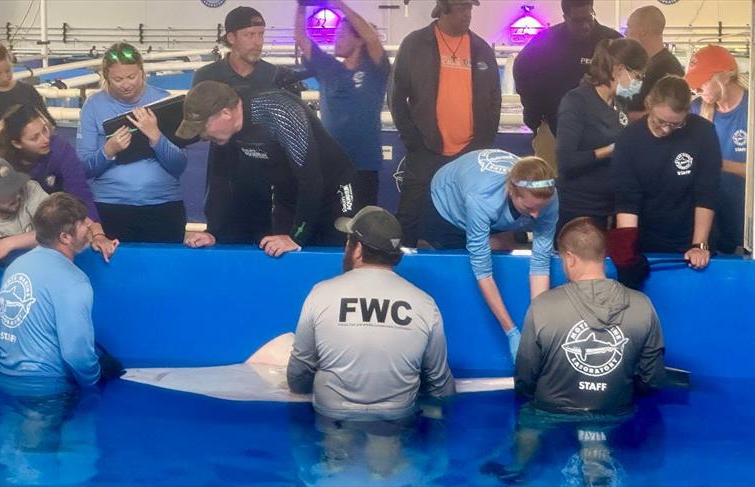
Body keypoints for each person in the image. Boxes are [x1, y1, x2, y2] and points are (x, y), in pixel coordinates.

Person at [485, 217, 665, 484]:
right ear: (604, 256)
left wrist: (535, 397)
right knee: (596, 429)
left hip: (549, 407)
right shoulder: (642, 305)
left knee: (529, 423)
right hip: (614, 408)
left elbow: (525, 375)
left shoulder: (543, 306)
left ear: (569, 258)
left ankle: (517, 467)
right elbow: (653, 379)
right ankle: (596, 464)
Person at [287, 206, 455, 422]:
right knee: (387, 449)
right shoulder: (424, 303)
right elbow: (441, 385)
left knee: (336, 450)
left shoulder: (320, 294)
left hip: (332, 415)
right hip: (396, 417)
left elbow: (298, 375)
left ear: (357, 249)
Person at [177, 81, 358, 257]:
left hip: (335, 190)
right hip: (290, 194)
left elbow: (311, 178)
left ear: (225, 113)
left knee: (335, 256)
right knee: (278, 252)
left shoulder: (277, 111)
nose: (203, 136)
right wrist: (213, 233)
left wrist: (297, 237)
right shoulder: (224, 132)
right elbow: (221, 181)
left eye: (203, 128)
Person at [422, 150, 558, 361]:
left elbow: (540, 262)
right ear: (512, 191)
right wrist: (511, 331)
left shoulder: (547, 198)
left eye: (541, 208)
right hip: (446, 205)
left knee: (502, 247)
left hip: (491, 204)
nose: (536, 216)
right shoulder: (483, 198)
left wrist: (536, 328)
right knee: (461, 264)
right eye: (529, 208)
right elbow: (482, 269)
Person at [389, 0, 501, 246]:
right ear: (444, 9)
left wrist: (483, 142)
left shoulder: (481, 48)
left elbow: (494, 98)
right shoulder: (415, 44)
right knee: (409, 214)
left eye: (470, 8)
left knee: (468, 215)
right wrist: (413, 140)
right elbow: (396, 97)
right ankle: (399, 268)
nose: (468, 14)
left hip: (470, 151)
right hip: (426, 148)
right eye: (462, 8)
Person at [194, 6, 300, 244]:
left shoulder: (276, 77)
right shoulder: (206, 76)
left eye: (261, 34)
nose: (257, 42)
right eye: (250, 35)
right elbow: (197, 129)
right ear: (231, 38)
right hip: (224, 184)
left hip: (268, 188)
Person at [610, 76, 721, 284]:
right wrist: (627, 253)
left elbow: (706, 193)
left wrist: (699, 245)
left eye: (675, 124)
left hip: (689, 236)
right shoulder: (629, 139)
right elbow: (626, 201)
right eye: (660, 121)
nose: (666, 129)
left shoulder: (703, 133)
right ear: (649, 105)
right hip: (646, 237)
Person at [76, 42, 188, 243]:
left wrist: (156, 137)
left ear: (142, 72)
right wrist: (108, 151)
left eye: (132, 77)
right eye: (118, 79)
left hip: (164, 204)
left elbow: (179, 165)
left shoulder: (163, 101)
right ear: (106, 77)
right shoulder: (93, 106)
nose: (126, 84)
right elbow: (82, 169)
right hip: (110, 205)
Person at [0, 104, 118, 262]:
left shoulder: (60, 149)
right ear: (16, 143)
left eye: (45, 129)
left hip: (52, 223)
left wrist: (98, 234)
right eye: (34, 138)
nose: (45, 139)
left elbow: (80, 192)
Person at [0, 192, 101, 396]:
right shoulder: (74, 280)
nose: (89, 225)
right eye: (82, 222)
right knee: (80, 426)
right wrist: (95, 380)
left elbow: (2, 327)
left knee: (10, 429)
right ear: (65, 237)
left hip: (3, 378)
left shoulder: (15, 267)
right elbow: (76, 353)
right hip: (48, 388)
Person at [295, 0, 390, 207]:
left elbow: (372, 38)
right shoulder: (328, 67)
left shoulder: (375, 68)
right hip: (330, 162)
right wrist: (302, 5)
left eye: (342, 34)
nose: (336, 39)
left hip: (364, 163)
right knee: (331, 224)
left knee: (362, 225)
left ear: (359, 40)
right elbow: (301, 37)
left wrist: (339, 4)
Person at [513, 0, 621, 170]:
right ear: (565, 17)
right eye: (578, 21)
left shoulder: (611, 41)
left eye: (589, 18)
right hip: (553, 128)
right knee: (547, 187)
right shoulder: (546, 41)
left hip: (601, 132)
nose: (585, 26)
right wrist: (534, 114)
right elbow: (521, 69)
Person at [555, 38, 648, 232]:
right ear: (619, 69)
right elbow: (566, 161)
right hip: (580, 208)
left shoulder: (619, 103)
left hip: (610, 206)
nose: (639, 82)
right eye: (637, 76)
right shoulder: (576, 102)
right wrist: (611, 150)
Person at [686, 45, 748, 254]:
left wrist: (715, 163)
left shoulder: (754, 111)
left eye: (702, 80)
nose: (696, 89)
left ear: (726, 76)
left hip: (746, 222)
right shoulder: (695, 110)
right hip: (709, 223)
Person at [0, 39, 52, 150]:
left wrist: (40, 130)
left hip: (29, 159)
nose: (5, 77)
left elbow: (50, 125)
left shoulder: (27, 91)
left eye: (8, 70)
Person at [624, 5, 685, 122]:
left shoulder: (669, 68)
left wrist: (622, 118)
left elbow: (671, 112)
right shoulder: (643, 64)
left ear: (643, 31)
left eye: (629, 27)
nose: (626, 32)